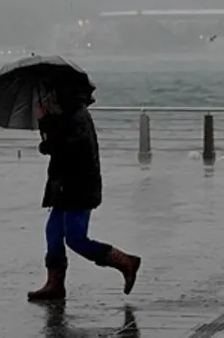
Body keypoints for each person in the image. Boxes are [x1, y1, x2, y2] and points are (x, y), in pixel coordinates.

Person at [27, 83, 141, 301]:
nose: (48, 99)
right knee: (53, 233)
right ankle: (55, 284)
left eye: (51, 95)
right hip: (63, 186)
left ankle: (125, 261)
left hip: (78, 187)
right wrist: (45, 121)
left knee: (76, 238)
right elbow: (56, 144)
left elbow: (66, 148)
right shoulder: (65, 115)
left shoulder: (76, 117)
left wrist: (46, 124)